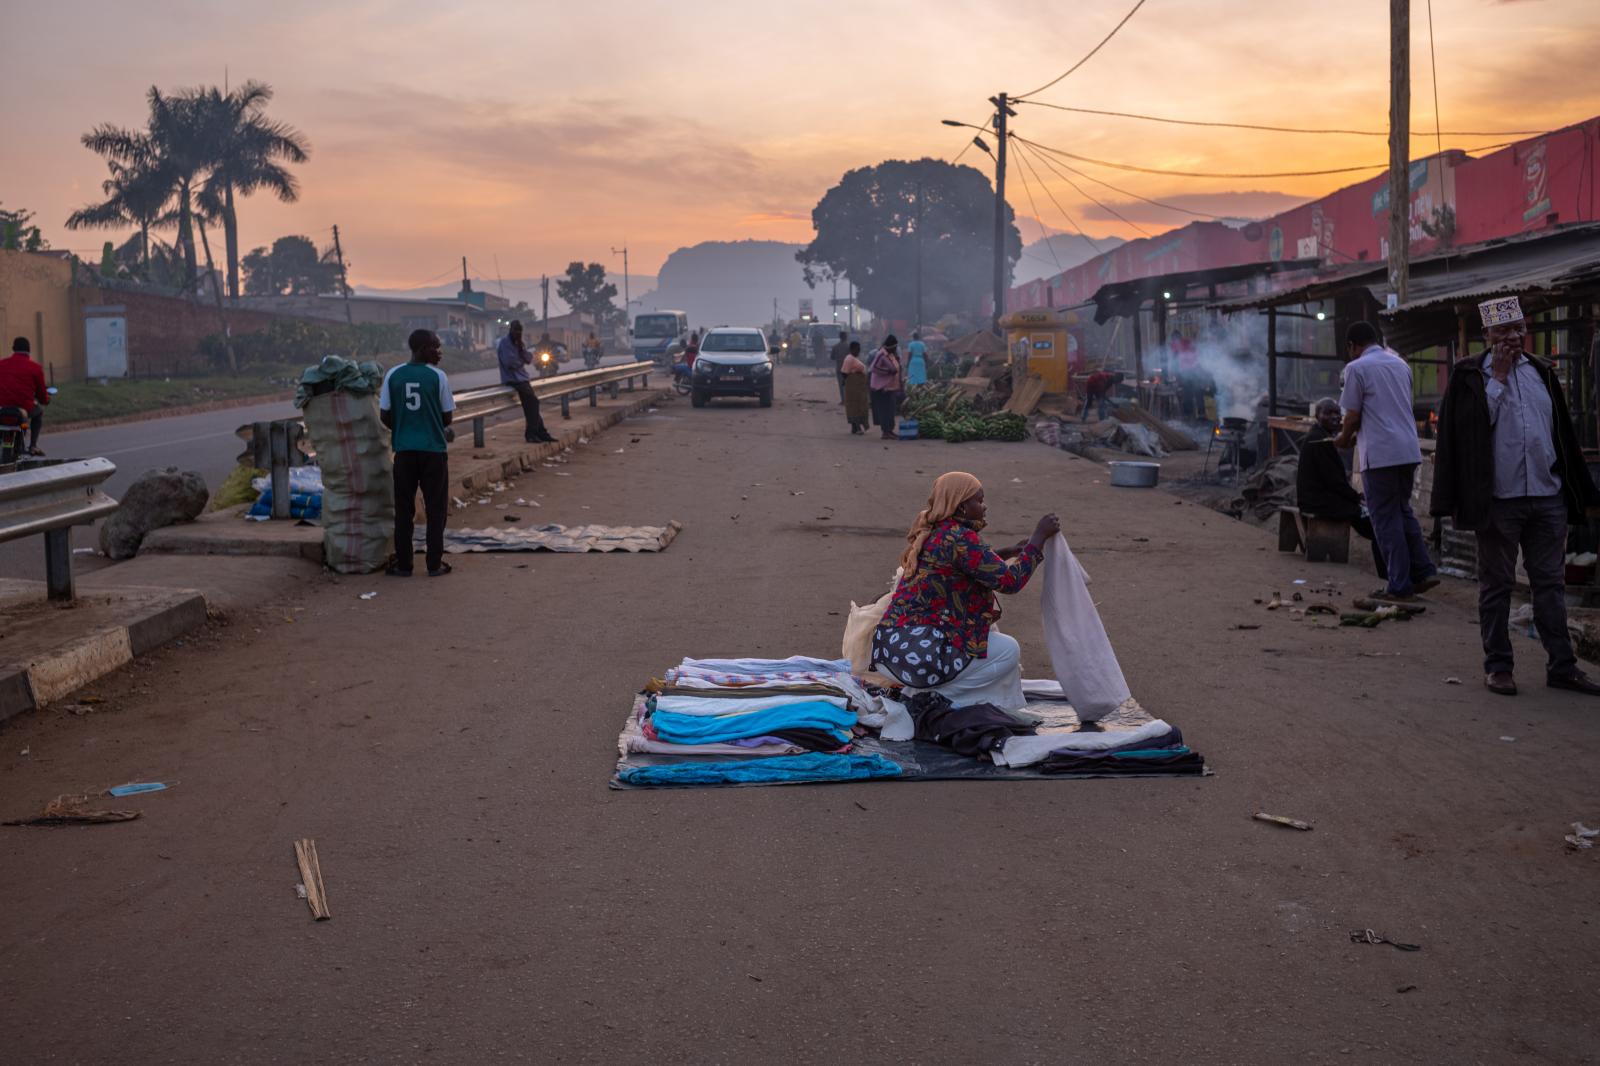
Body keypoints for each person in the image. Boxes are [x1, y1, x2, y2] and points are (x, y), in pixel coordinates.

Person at [1432, 296, 1600, 697]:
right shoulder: (1470, 375)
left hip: (1547, 495)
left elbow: (1558, 432)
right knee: (1497, 584)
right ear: (1487, 335)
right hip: (1499, 498)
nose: (1513, 337)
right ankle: (1499, 666)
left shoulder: (1541, 372)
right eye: (1503, 331)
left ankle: (1562, 665)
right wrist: (1500, 377)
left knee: (1550, 585)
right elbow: (1470, 432)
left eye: (1518, 329)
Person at [872, 472, 1061, 712]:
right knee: (1008, 650)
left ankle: (948, 696)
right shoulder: (960, 538)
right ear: (962, 506)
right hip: (919, 653)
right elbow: (1010, 582)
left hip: (894, 647)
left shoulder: (937, 531)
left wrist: (1005, 553)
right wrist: (1038, 538)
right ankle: (932, 697)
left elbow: (962, 567)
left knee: (991, 647)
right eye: (979, 501)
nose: (984, 507)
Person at [1334, 321, 1438, 601]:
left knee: (1385, 520)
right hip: (1407, 450)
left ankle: (1399, 584)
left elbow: (1352, 416)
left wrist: (1343, 439)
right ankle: (1425, 570)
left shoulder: (1356, 368)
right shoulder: (1400, 365)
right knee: (1403, 512)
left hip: (1380, 455)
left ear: (1353, 346)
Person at [381, 329, 456, 578]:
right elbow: (447, 416)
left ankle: (404, 564)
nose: (440, 351)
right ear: (423, 348)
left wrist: (405, 427)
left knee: (404, 509)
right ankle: (434, 564)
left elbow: (385, 415)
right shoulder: (438, 377)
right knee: (436, 509)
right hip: (433, 451)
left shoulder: (393, 375)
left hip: (404, 451)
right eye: (436, 346)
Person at [1297, 398, 1387, 580]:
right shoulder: (1319, 441)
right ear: (1317, 416)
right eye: (1328, 413)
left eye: (1337, 413)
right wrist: (1356, 498)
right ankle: (1385, 576)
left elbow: (1333, 481)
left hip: (1316, 498)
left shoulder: (1319, 436)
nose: (1335, 417)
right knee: (1379, 527)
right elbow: (1334, 482)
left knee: (1373, 519)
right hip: (1318, 502)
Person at [497, 321, 556, 444]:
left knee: (531, 406)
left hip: (522, 378)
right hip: (513, 379)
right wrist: (521, 360)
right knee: (533, 403)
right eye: (515, 331)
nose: (517, 333)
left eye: (519, 331)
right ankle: (531, 433)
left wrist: (521, 352)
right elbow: (510, 363)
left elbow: (529, 358)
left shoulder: (518, 343)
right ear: (511, 330)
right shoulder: (505, 343)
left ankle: (541, 433)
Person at [0, 337, 49, 456]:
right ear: (29, 350)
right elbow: (42, 396)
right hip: (23, 408)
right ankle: (33, 446)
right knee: (39, 412)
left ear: (13, 349)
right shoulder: (35, 368)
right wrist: (46, 400)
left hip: (2, 407)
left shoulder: (1, 364)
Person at [869, 335, 902, 439]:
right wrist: (887, 372)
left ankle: (890, 430)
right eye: (895, 347)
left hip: (891, 387)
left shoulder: (890, 355)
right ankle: (885, 432)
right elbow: (873, 368)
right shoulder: (881, 354)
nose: (895, 349)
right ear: (890, 346)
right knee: (884, 410)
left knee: (891, 410)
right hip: (881, 388)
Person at [841, 342, 871, 435]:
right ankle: (857, 427)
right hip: (853, 386)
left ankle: (854, 427)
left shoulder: (853, 358)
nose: (859, 350)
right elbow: (844, 373)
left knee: (859, 404)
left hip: (858, 386)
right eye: (857, 349)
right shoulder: (849, 358)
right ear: (852, 349)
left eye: (859, 349)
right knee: (855, 405)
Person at [830, 329, 851, 404]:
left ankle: (843, 400)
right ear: (846, 337)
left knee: (841, 385)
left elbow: (832, 357)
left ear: (840, 337)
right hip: (848, 368)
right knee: (848, 384)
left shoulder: (835, 347)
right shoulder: (849, 346)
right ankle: (848, 399)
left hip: (839, 368)